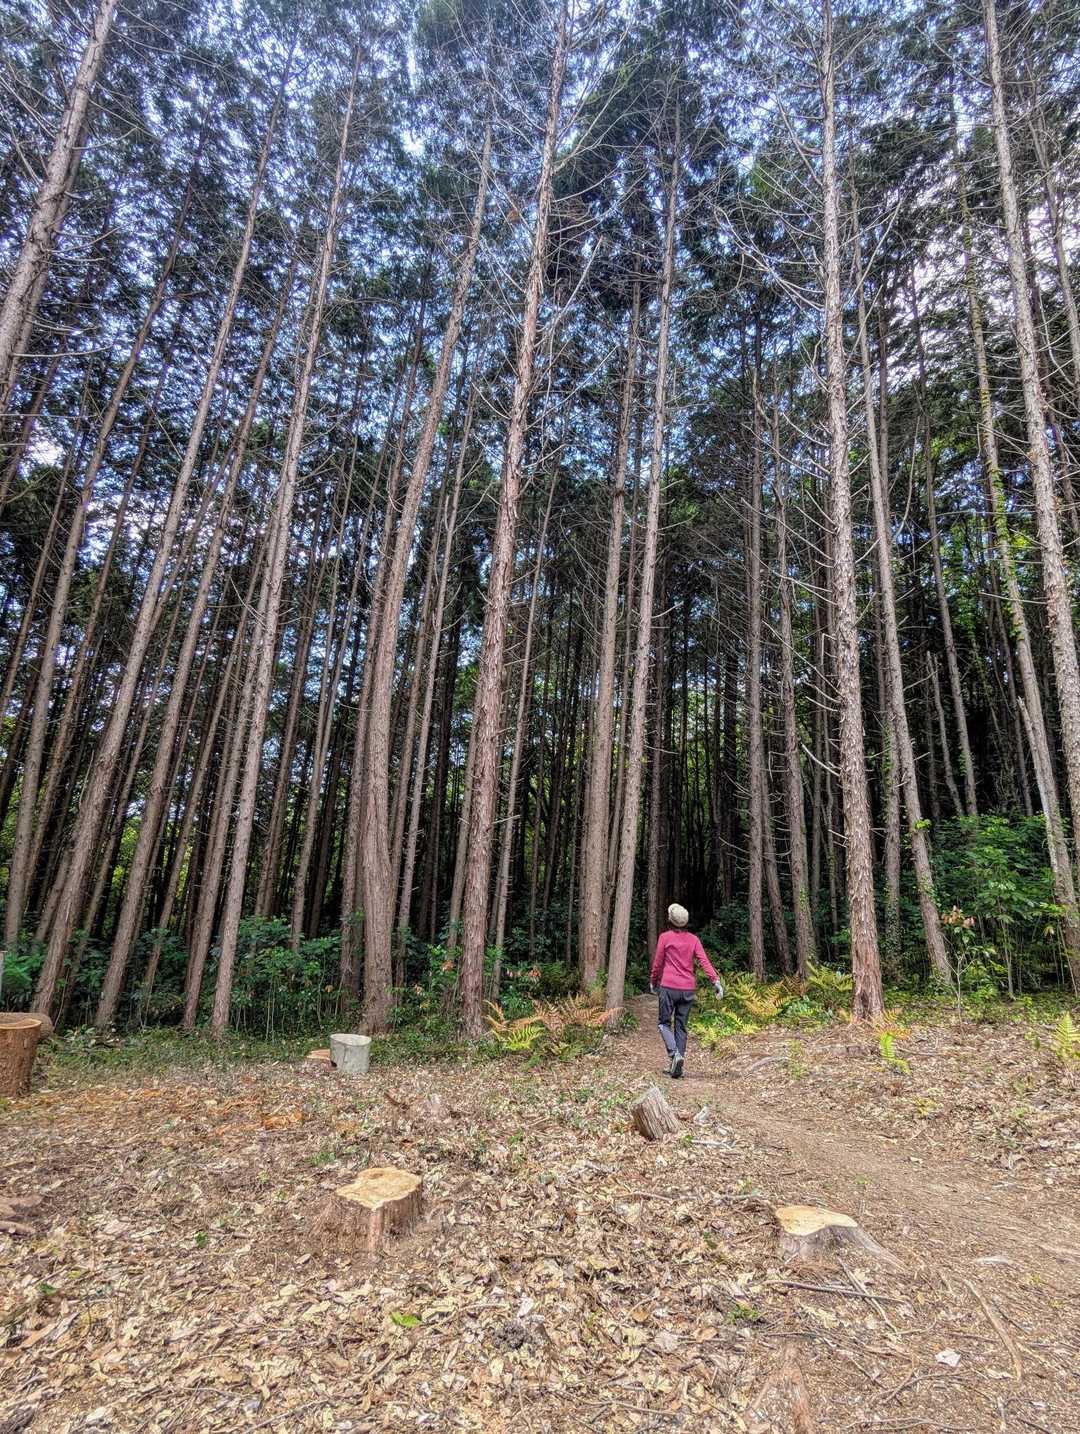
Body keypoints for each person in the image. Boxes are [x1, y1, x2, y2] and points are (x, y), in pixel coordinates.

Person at [649, 903, 723, 1079]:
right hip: (688, 989)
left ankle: (675, 1054)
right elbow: (704, 961)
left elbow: (658, 963)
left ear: (670, 920)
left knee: (663, 1023)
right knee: (681, 1026)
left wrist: (653, 981)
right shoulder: (693, 940)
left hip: (668, 987)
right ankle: (677, 1068)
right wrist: (716, 981)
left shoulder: (665, 937)